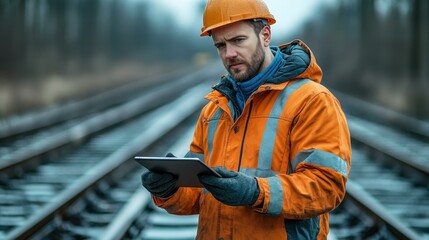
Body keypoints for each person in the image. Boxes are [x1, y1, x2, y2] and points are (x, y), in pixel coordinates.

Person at [141, 0, 351, 239]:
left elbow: (326, 187)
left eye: (238, 41)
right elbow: (198, 194)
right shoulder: (214, 110)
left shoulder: (312, 101)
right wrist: (170, 189)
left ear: (265, 35)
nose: (229, 54)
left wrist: (256, 192)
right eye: (220, 45)